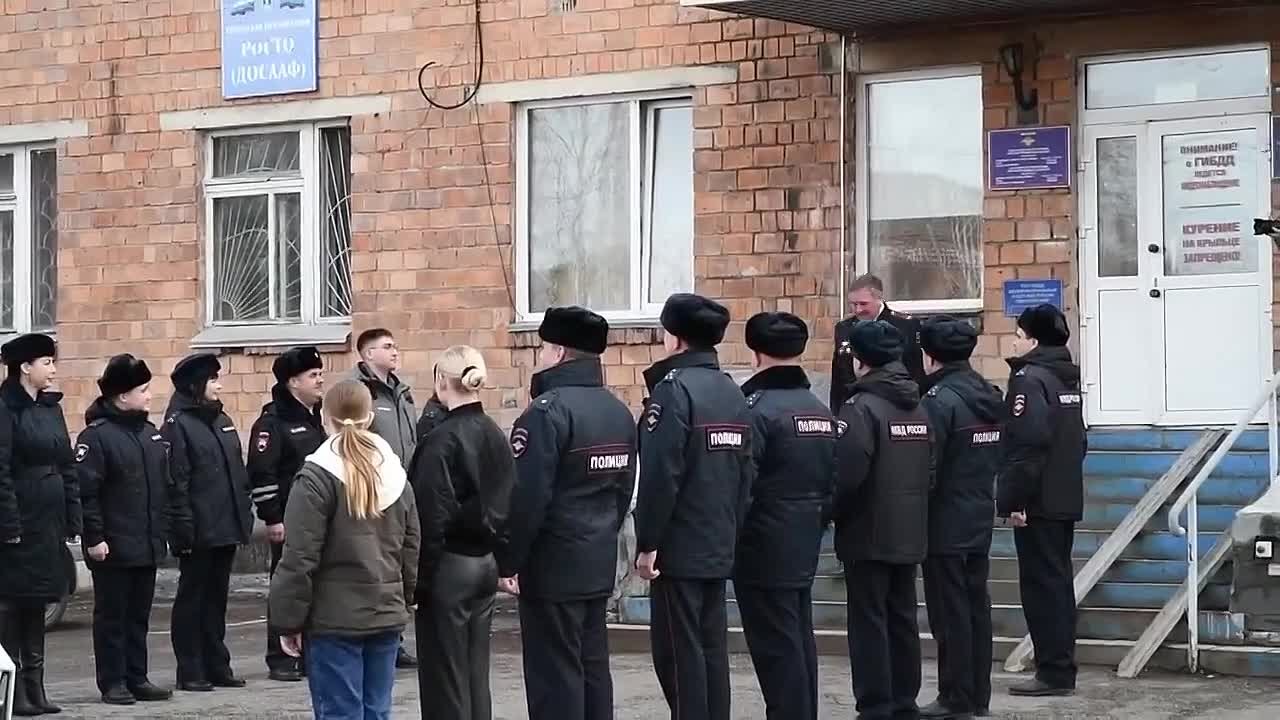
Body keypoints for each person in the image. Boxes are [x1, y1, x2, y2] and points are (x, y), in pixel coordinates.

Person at [497, 307, 637, 720]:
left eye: (543, 348)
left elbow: (528, 499)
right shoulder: (617, 411)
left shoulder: (545, 413)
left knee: (555, 677)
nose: (540, 356)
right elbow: (622, 491)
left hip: (552, 567)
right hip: (597, 560)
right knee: (592, 668)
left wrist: (509, 560)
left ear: (558, 352)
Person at [270, 379, 421, 720]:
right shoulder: (394, 472)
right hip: (384, 613)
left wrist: (288, 621)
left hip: (333, 620)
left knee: (340, 713)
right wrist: (405, 598)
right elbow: (410, 546)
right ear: (371, 418)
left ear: (325, 418)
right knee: (377, 712)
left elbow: (299, 557)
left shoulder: (317, 476)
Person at [635, 293, 753, 720]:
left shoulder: (673, 391)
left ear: (675, 338)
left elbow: (660, 475)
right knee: (711, 649)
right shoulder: (731, 390)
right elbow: (746, 471)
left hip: (679, 546)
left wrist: (648, 543)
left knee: (678, 655)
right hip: (718, 538)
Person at [734, 312, 836, 720]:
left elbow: (742, 483)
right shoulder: (819, 409)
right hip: (804, 535)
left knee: (775, 646)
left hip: (762, 542)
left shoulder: (756, 410)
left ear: (756, 353)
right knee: (797, 637)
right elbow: (835, 478)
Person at [409, 345, 515, 720]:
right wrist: (505, 561)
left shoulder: (441, 440)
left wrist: (418, 583)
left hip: (450, 567)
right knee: (474, 674)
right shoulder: (495, 433)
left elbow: (430, 517)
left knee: (445, 678)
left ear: (441, 380)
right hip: (485, 562)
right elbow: (510, 498)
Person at [832, 320, 931, 720]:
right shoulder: (917, 403)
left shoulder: (861, 407)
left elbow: (846, 473)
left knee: (869, 620)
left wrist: (827, 512)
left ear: (859, 360)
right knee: (903, 617)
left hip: (868, 530)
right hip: (909, 527)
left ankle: (875, 704)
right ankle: (905, 700)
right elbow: (931, 466)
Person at [76, 354, 178, 705]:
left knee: (138, 617)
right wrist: (95, 538)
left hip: (146, 542)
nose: (150, 396)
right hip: (113, 546)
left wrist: (163, 531)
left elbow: (163, 488)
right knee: (112, 618)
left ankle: (137, 676)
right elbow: (87, 493)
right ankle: (113, 681)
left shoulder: (150, 435)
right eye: (143, 390)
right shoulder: (97, 437)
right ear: (122, 396)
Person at [917, 317, 1004, 720]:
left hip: (944, 519)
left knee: (949, 612)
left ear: (930, 356)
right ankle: (977, 696)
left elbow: (928, 464)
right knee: (975, 608)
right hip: (978, 512)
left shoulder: (939, 401)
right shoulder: (988, 393)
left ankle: (955, 697)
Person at [998, 304, 1085, 698]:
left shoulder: (1029, 379)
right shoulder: (1064, 378)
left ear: (1033, 341)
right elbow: (1079, 440)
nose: (1015, 342)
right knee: (1058, 584)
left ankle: (1052, 672)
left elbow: (1027, 444)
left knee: (1041, 588)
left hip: (1038, 500)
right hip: (1063, 494)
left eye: (1019, 336)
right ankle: (1060, 668)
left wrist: (1014, 498)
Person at [163, 353, 253, 692]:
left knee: (216, 599)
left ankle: (217, 664)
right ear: (195, 385)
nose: (219, 386)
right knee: (193, 599)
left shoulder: (220, 419)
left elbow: (236, 472)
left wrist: (243, 513)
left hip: (225, 524)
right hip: (199, 528)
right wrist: (183, 529)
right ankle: (190, 668)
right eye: (213, 380)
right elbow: (178, 481)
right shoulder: (179, 424)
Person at [0, 333, 80, 715]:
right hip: (20, 522)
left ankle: (36, 687)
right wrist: (9, 524)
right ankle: (14, 690)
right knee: (13, 606)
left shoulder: (51, 409)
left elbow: (67, 464)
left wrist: (73, 515)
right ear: (24, 367)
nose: (52, 369)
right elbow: (1, 471)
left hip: (49, 520)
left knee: (38, 603)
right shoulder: (5, 408)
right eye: (46, 362)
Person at [247, 346, 326, 682]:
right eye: (313, 375)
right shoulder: (272, 423)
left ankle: (308, 651)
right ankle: (280, 656)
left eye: (320, 374)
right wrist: (272, 518)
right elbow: (262, 474)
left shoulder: (313, 419)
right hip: (288, 521)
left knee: (314, 587)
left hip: (315, 521)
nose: (320, 380)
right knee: (287, 588)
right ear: (293, 382)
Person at [349, 327, 420, 669]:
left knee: (398, 564)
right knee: (373, 565)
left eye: (395, 345)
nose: (394, 351)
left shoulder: (402, 393)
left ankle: (395, 637)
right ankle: (373, 634)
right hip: (372, 493)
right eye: (387, 346)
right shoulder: (358, 391)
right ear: (368, 354)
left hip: (401, 489)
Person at [831, 273, 924, 409]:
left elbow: (916, 371)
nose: (858, 310)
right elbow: (838, 377)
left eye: (863, 304)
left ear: (879, 299)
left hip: (893, 406)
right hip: (852, 407)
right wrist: (836, 411)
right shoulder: (844, 328)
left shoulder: (905, 326)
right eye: (853, 304)